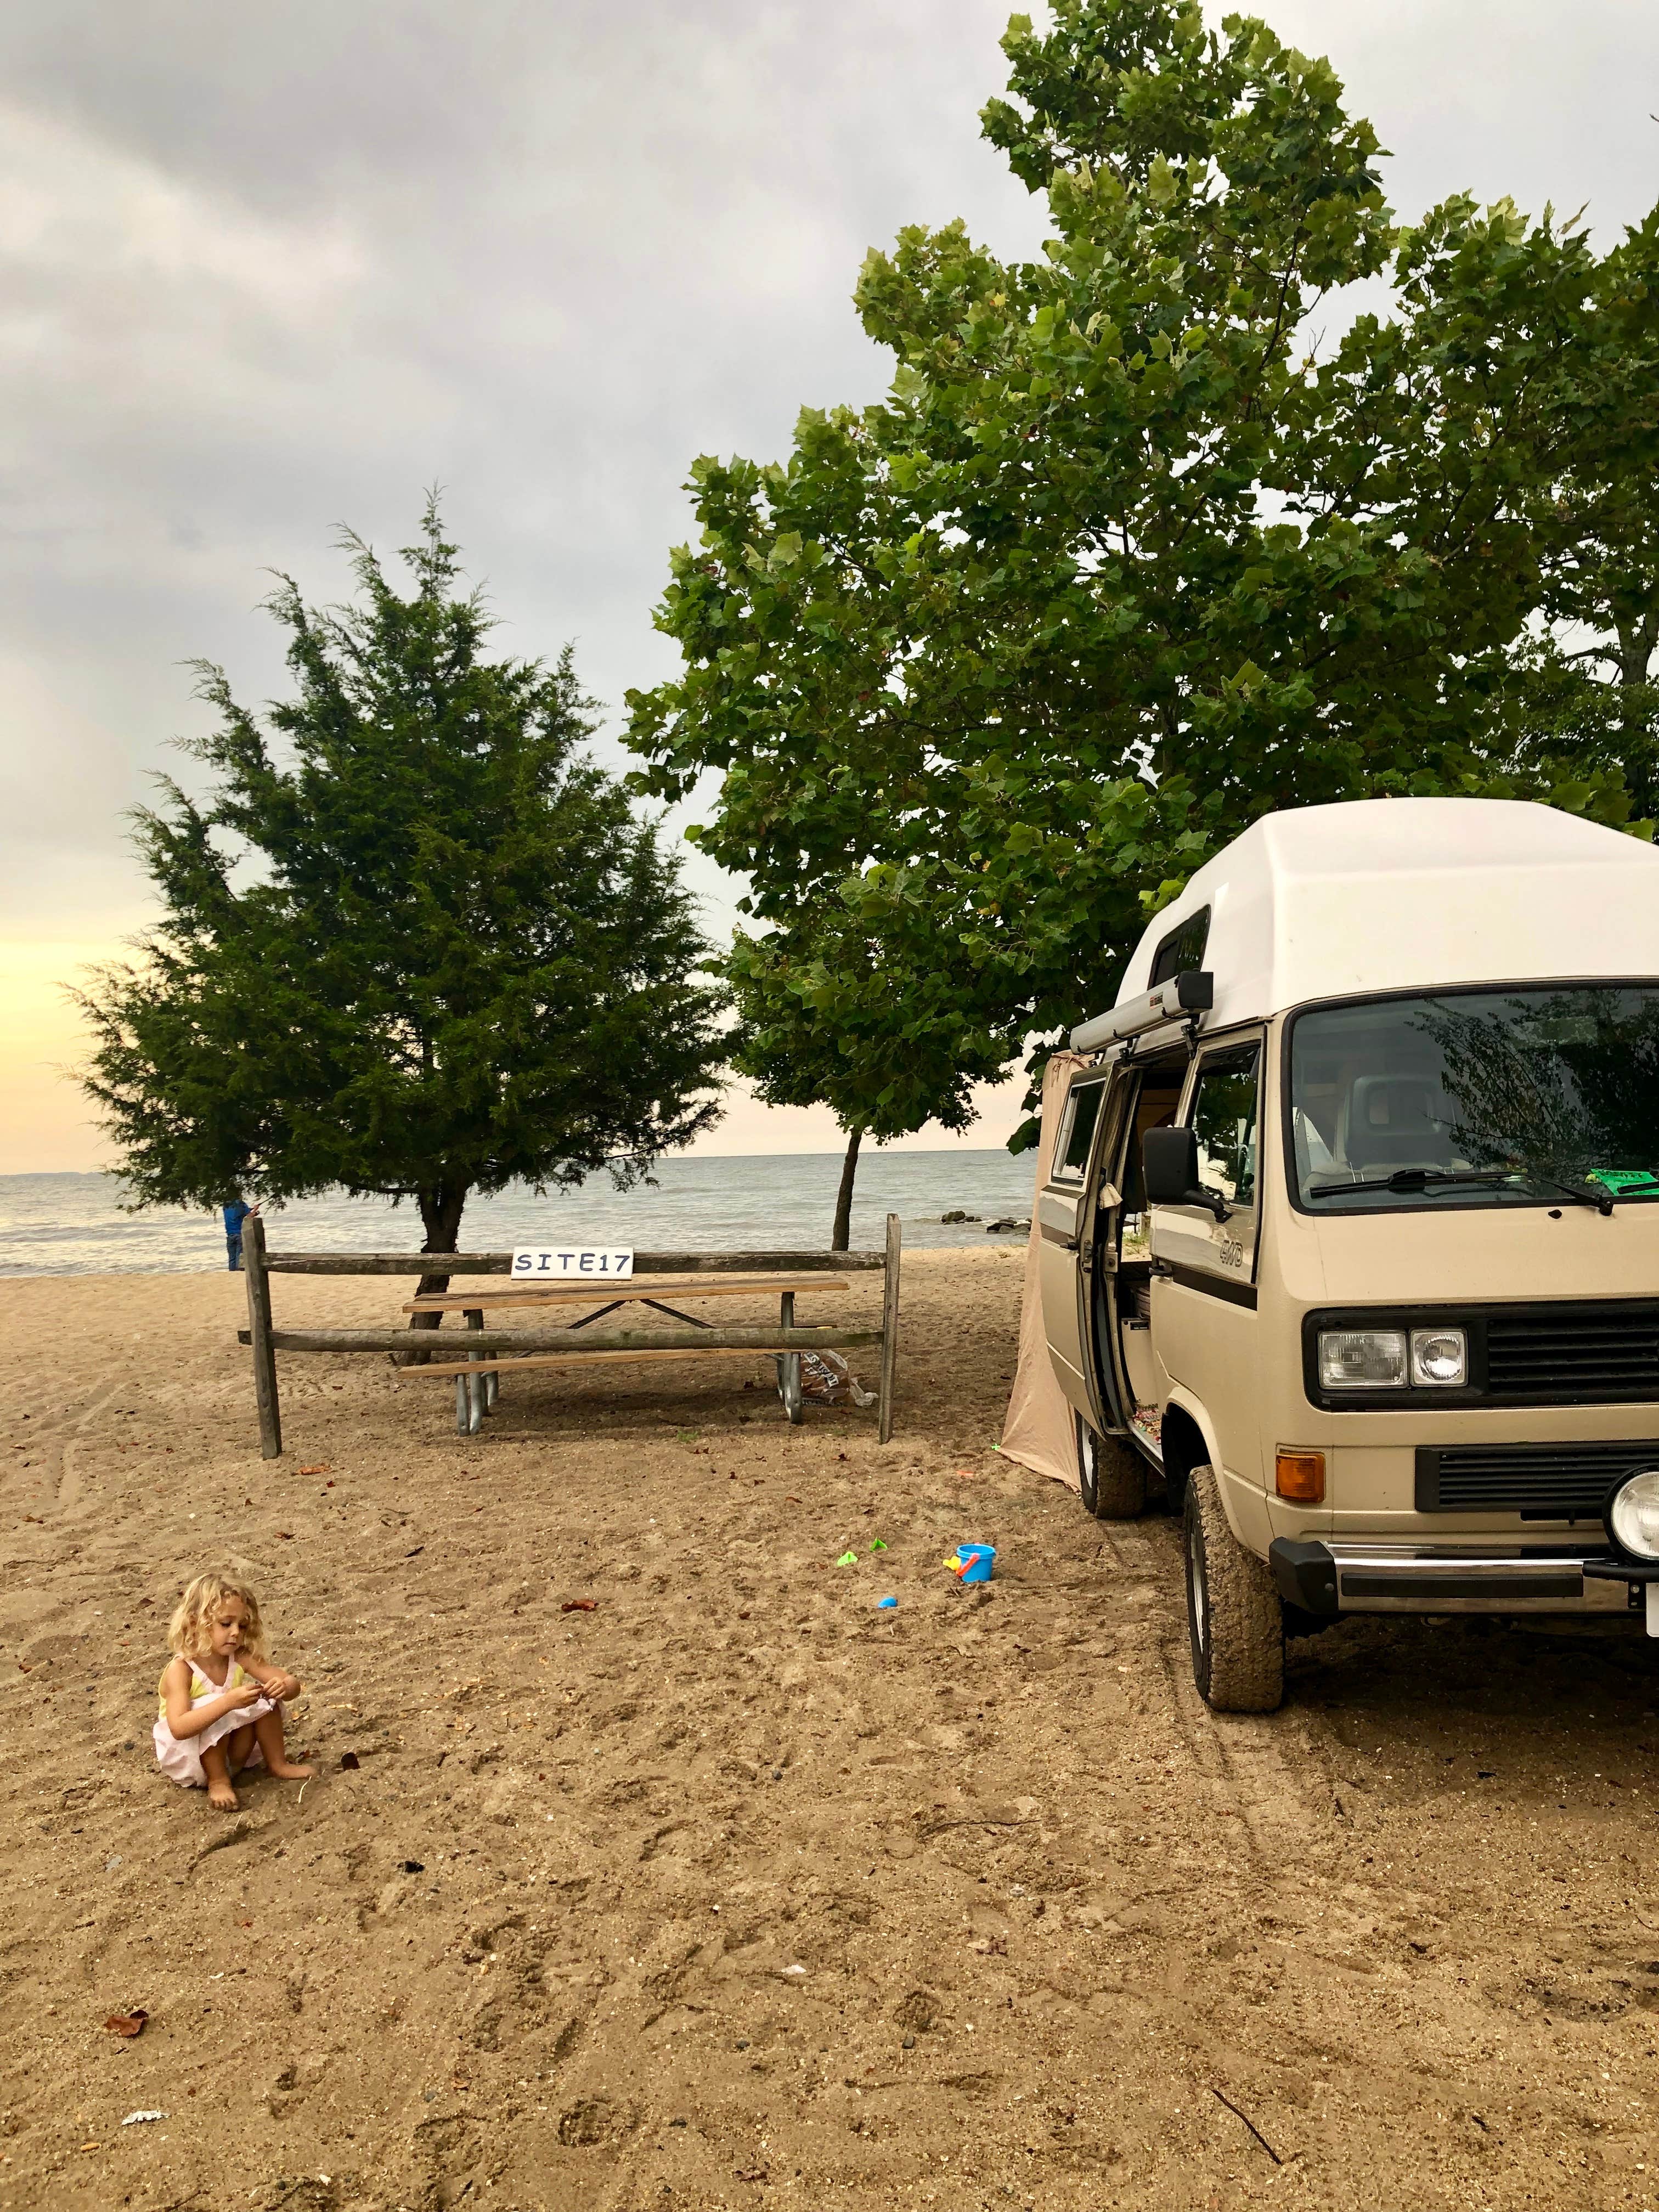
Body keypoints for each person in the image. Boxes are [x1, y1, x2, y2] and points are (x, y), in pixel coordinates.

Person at [153, 1568, 313, 1812]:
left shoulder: (239, 1656)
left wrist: (283, 1687)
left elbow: (291, 1685)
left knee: (263, 1697)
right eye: (226, 1624)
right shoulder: (182, 1669)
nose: (236, 1632)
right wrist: (227, 1702)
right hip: (191, 1758)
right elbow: (179, 1728)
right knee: (212, 1704)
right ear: (196, 1623)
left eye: (243, 1625)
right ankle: (218, 1781)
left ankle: (278, 1763)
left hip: (235, 1753)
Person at [222, 1195, 256, 1271]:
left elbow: (236, 1214)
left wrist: (250, 1209)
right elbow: (250, 1216)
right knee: (239, 1255)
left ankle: (232, 1272)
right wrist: (255, 1210)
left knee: (232, 1257)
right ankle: (238, 1271)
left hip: (230, 1235)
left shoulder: (226, 1206)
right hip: (239, 1234)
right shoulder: (242, 1204)